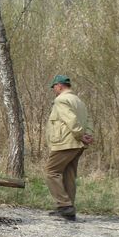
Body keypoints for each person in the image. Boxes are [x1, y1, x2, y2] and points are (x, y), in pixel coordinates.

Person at [45, 75, 93, 221]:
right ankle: (69, 209)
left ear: (59, 86)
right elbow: (89, 120)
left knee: (51, 172)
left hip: (66, 143)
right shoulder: (79, 101)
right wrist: (88, 134)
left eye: (54, 87)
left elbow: (70, 119)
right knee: (68, 174)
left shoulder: (61, 100)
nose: (54, 90)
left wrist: (80, 134)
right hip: (78, 144)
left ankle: (64, 205)